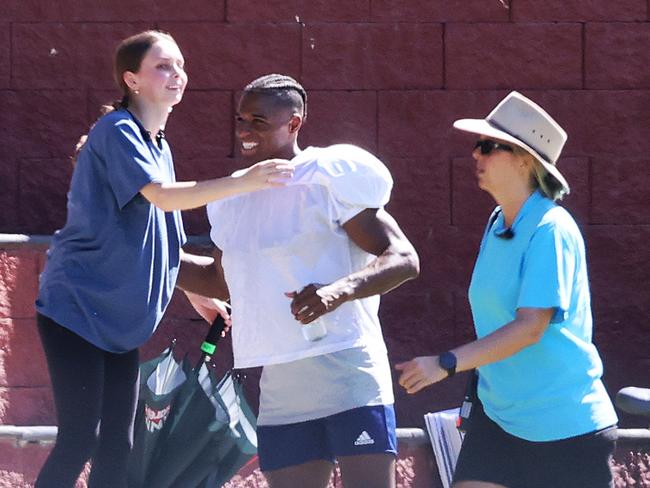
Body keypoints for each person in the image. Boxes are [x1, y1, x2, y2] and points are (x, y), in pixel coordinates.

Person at [34, 31, 292, 488]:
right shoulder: (116, 131)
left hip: (116, 323)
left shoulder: (158, 145)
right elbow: (162, 197)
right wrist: (246, 180)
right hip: (76, 312)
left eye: (180, 65)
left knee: (120, 442)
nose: (177, 75)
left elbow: (164, 236)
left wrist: (193, 290)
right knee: (80, 437)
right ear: (131, 79)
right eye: (163, 66)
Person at [180, 74, 420, 488]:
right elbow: (222, 281)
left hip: (350, 373)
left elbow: (403, 257)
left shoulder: (328, 177)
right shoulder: (230, 198)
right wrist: (146, 257)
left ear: (294, 123)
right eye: (240, 119)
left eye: (258, 120)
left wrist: (335, 292)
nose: (245, 130)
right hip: (282, 386)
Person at [395, 91, 618, 488]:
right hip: (498, 420)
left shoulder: (552, 228)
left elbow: (530, 327)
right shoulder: (498, 222)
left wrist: (445, 363)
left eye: (487, 146)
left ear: (524, 160)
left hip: (564, 428)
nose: (476, 155)